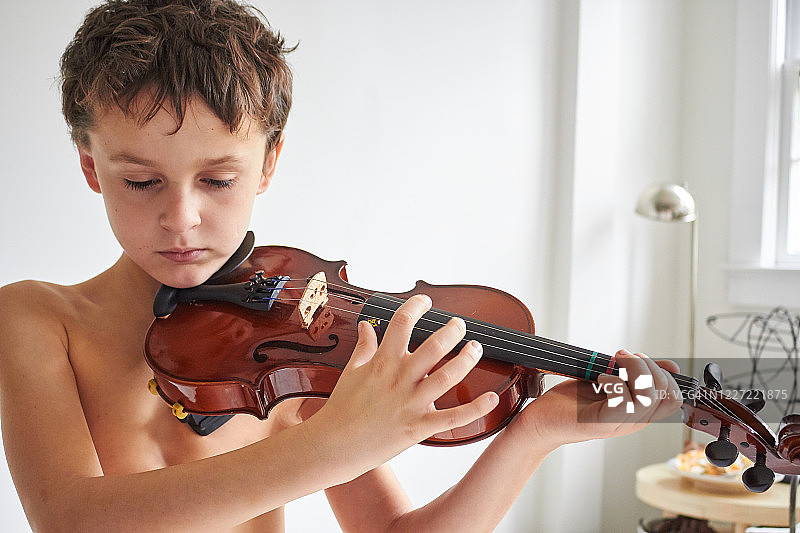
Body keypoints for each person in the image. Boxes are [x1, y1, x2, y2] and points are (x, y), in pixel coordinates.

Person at [0, 1, 682, 531]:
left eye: (217, 180)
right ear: (92, 166)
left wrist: (537, 431)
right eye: (142, 182)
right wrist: (334, 443)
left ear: (268, 163)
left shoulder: (298, 337)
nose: (181, 218)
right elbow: (72, 518)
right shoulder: (38, 320)